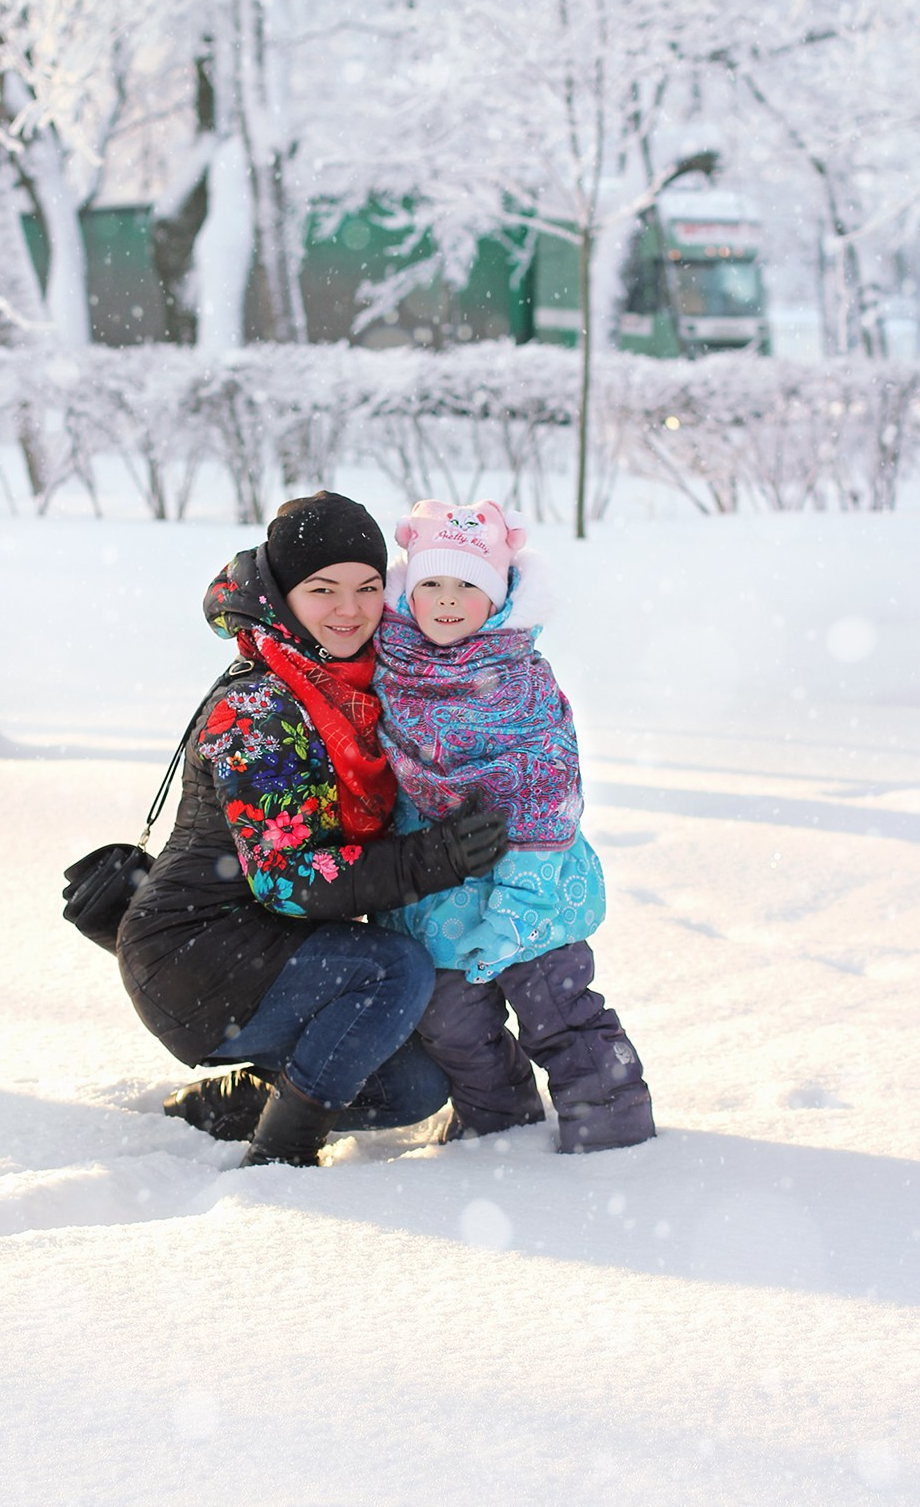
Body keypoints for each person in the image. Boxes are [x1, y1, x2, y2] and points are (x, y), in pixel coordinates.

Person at [117, 491, 508, 1167]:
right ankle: (280, 1153)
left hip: (276, 946)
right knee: (393, 972)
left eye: (366, 588)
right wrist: (429, 860)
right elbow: (289, 877)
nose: (349, 610)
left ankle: (243, 1101)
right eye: (322, 589)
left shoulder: (350, 681)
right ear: (281, 594)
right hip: (195, 954)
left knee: (415, 1084)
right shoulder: (256, 710)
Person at [373, 498, 655, 1153]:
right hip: (434, 899)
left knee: (558, 1014)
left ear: (498, 596)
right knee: (449, 1026)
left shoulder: (517, 681)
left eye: (467, 585)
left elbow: (543, 794)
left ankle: (613, 1133)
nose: (446, 600)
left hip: (534, 888)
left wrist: (517, 910)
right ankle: (498, 1129)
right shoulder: (392, 672)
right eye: (430, 584)